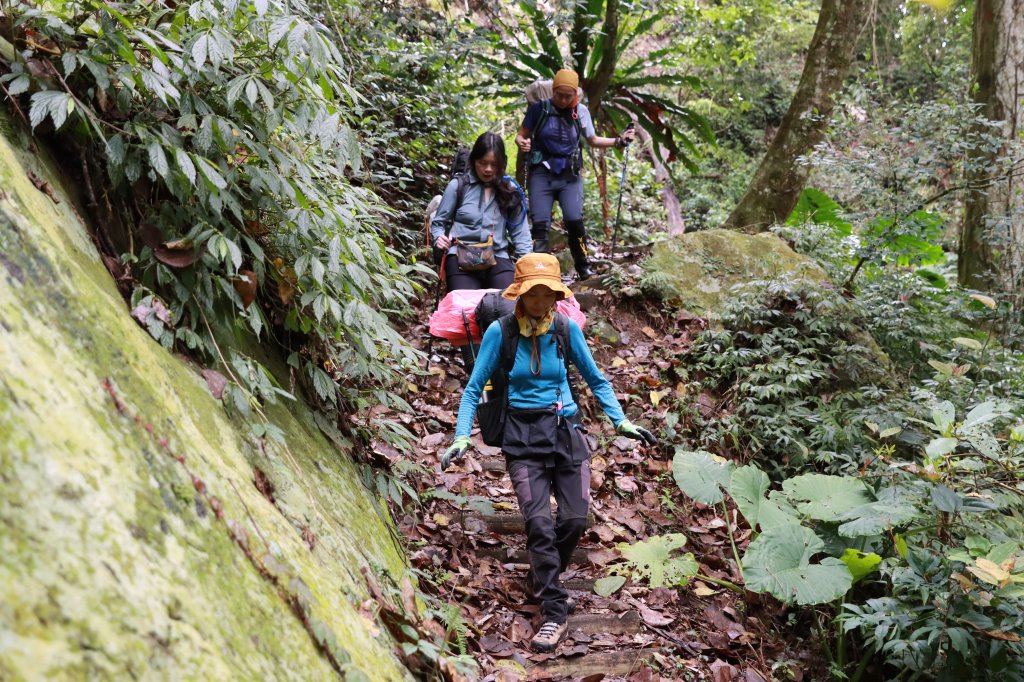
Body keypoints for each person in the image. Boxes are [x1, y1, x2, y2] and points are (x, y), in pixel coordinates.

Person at [439, 253, 657, 653]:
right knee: (539, 524)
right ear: (520, 294)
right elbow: (473, 389)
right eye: (534, 294)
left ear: (557, 295)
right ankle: (554, 612)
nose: (541, 302)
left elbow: (596, 379)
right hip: (522, 437)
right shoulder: (501, 332)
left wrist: (621, 421)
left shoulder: (565, 328)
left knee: (573, 519)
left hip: (566, 431)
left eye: (548, 294)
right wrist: (461, 436)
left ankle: (541, 576)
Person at [514, 69, 636, 280]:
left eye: (568, 96)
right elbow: (521, 135)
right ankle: (539, 271)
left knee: (574, 220)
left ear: (575, 95)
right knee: (540, 223)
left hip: (570, 175)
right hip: (541, 173)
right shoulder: (538, 109)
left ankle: (583, 266)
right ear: (553, 91)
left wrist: (619, 141)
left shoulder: (581, 112)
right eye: (559, 95)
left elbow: (593, 140)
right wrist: (522, 142)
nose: (563, 100)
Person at [431, 132, 532, 293]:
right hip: (460, 256)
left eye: (494, 164)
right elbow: (438, 223)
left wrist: (528, 266)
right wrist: (439, 237)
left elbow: (521, 233)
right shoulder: (458, 186)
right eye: (482, 163)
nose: (488, 169)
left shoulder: (510, 191)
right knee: (466, 304)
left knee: (507, 301)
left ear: (502, 163)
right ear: (473, 160)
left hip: (497, 256)